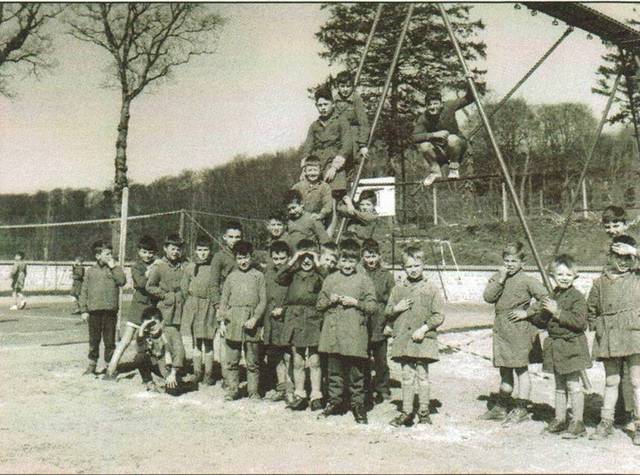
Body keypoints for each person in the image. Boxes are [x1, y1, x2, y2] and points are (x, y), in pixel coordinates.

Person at [480, 241, 548, 424]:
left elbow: (546, 298)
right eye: (507, 260)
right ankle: (502, 406)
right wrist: (500, 279)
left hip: (519, 331)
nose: (509, 264)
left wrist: (527, 312)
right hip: (501, 329)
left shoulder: (527, 280)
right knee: (504, 368)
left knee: (521, 369)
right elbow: (488, 297)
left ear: (522, 263)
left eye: (514, 261)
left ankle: (521, 408)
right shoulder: (498, 277)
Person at [529, 255, 591, 439]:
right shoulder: (551, 294)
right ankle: (559, 419)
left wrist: (557, 311)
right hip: (555, 346)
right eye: (560, 274)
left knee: (573, 384)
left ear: (575, 276)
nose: (564, 277)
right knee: (559, 386)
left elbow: (580, 323)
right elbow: (540, 322)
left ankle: (578, 422)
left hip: (572, 345)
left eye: (568, 274)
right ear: (553, 276)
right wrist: (542, 310)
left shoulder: (577, 297)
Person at [317, 238, 377, 424]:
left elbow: (372, 306)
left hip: (354, 334)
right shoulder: (330, 279)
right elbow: (319, 304)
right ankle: (334, 402)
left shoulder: (364, 280)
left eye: (351, 261)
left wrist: (356, 303)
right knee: (334, 371)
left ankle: (357, 405)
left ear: (357, 261)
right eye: (344, 260)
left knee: (356, 373)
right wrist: (330, 301)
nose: (347, 265)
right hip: (333, 333)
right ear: (338, 260)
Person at [587, 235, 640, 445]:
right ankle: (606, 421)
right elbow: (591, 309)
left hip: (634, 334)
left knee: (637, 382)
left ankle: (638, 423)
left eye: (628, 257)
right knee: (611, 381)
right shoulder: (599, 283)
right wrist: (598, 326)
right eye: (619, 256)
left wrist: (634, 250)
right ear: (610, 256)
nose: (623, 261)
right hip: (609, 335)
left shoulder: (637, 278)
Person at [385, 246, 445, 426]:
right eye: (409, 266)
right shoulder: (397, 289)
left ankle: (424, 411)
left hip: (423, 339)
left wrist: (424, 328)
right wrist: (397, 308)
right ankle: (407, 411)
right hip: (404, 340)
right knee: (406, 376)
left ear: (423, 265)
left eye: (417, 265)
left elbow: (438, 315)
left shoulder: (431, 288)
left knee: (422, 376)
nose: (413, 269)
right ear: (404, 268)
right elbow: (387, 312)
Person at [276, 239, 325, 411]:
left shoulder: (319, 275)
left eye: (309, 257)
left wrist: (318, 262)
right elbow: (279, 277)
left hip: (313, 318)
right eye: (303, 257)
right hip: (294, 319)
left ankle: (316, 395)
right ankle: (299, 394)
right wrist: (294, 257)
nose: (306, 261)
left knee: (314, 359)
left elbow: (329, 279)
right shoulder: (292, 274)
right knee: (297, 360)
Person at [599, 205, 636, 430]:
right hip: (614, 316)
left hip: (632, 311)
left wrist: (633, 252)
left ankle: (632, 414)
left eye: (617, 225)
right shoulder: (609, 247)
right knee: (617, 371)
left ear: (626, 224)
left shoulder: (632, 243)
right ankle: (621, 412)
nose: (612, 229)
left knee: (632, 373)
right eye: (608, 226)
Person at [105, 235, 158, 380]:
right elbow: (141, 284)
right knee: (126, 340)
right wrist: (150, 273)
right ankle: (111, 369)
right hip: (138, 308)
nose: (148, 255)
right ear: (139, 252)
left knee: (150, 341)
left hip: (152, 308)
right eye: (145, 252)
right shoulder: (136, 267)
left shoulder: (158, 264)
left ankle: (150, 369)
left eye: (151, 252)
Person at [218, 240, 266, 401]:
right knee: (232, 360)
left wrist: (255, 318)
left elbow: (263, 301)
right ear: (235, 259)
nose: (243, 262)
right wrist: (222, 321)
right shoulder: (231, 277)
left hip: (251, 322)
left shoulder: (258, 276)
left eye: (246, 258)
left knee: (252, 361)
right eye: (239, 258)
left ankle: (253, 391)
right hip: (233, 321)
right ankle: (233, 390)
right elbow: (223, 301)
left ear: (251, 257)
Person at [79, 240, 127, 375]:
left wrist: (114, 267)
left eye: (111, 254)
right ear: (97, 256)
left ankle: (109, 366)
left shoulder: (115, 269)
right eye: (107, 254)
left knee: (109, 341)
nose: (110, 257)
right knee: (94, 340)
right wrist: (83, 310)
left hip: (110, 311)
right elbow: (84, 291)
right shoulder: (90, 272)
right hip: (94, 311)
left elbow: (122, 281)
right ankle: (92, 365)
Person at [145, 234, 186, 383]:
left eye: (178, 249)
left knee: (175, 341)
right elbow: (149, 286)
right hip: (164, 310)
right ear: (165, 249)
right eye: (173, 249)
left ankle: (174, 370)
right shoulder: (159, 266)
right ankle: (165, 371)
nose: (175, 252)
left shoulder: (183, 265)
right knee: (163, 341)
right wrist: (164, 295)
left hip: (179, 310)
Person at [412, 85, 474, 185]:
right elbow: (414, 137)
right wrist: (433, 135)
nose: (432, 107)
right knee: (423, 145)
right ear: (426, 106)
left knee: (452, 138)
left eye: (435, 103)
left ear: (441, 104)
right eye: (429, 105)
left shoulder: (449, 106)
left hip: (457, 148)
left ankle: (454, 167)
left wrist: (470, 82)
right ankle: (435, 171)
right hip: (440, 151)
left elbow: (469, 98)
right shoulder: (423, 118)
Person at [360, 238, 395, 405]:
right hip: (363, 321)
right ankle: (365, 387)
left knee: (381, 359)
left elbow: (393, 302)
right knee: (363, 357)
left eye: (373, 256)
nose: (371, 260)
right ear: (362, 257)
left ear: (379, 256)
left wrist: (390, 324)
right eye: (367, 256)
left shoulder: (387, 276)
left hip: (380, 320)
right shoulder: (359, 274)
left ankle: (382, 387)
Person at [300, 87, 353, 196]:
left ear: (332, 104)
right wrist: (305, 168)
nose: (323, 108)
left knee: (335, 193)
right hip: (317, 164)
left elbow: (347, 145)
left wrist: (334, 167)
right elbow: (308, 148)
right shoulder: (314, 126)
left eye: (325, 104)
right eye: (320, 105)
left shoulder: (341, 121)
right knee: (311, 192)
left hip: (335, 163)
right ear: (316, 106)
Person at [209, 221, 243, 385]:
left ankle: (239, 373)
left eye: (238, 237)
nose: (234, 240)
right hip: (226, 303)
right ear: (224, 237)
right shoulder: (219, 257)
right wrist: (218, 307)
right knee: (225, 340)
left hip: (243, 303)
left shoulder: (246, 254)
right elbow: (213, 284)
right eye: (231, 237)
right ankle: (226, 376)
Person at [181, 235, 217, 385]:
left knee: (208, 342)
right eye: (200, 250)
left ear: (210, 251)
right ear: (195, 251)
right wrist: (191, 301)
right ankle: (197, 372)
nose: (203, 253)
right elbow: (184, 288)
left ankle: (208, 373)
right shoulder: (190, 267)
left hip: (208, 306)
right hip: (194, 305)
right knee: (197, 342)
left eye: (206, 250)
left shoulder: (214, 266)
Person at [135, 307, 197, 396]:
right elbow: (140, 351)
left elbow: (179, 352)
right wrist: (141, 330)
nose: (151, 327)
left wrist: (173, 373)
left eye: (154, 323)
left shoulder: (171, 331)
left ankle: (187, 380)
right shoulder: (146, 333)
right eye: (148, 324)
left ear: (161, 321)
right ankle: (149, 382)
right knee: (139, 357)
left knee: (173, 391)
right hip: (158, 366)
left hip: (173, 368)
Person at [262, 240, 294, 403]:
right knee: (276, 355)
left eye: (282, 258)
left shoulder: (293, 274)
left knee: (288, 354)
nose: (279, 262)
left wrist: (284, 309)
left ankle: (290, 388)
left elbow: (296, 298)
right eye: (276, 258)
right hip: (270, 319)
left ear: (289, 258)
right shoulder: (267, 274)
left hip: (287, 318)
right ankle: (281, 386)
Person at [334, 70, 370, 161]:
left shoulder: (356, 99)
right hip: (340, 138)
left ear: (352, 86)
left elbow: (364, 123)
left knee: (355, 163)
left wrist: (362, 144)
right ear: (337, 87)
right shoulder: (334, 100)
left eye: (348, 86)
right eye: (342, 86)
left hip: (354, 137)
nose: (345, 89)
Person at [291, 155, 334, 223]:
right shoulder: (297, 186)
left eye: (315, 170)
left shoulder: (325, 187)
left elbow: (328, 205)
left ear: (320, 171)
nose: (313, 173)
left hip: (316, 220)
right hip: (299, 220)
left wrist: (320, 215)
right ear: (305, 171)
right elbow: (291, 203)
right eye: (310, 170)